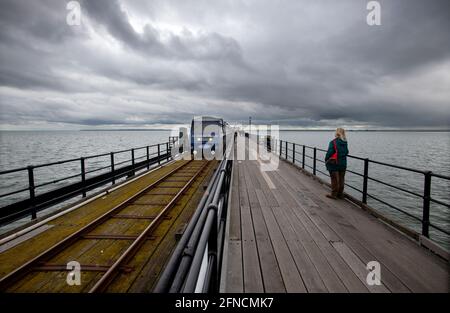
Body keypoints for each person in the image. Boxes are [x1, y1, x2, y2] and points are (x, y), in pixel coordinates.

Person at [325, 128, 349, 199]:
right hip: (343, 163)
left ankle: (334, 194)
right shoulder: (345, 142)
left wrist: (326, 160)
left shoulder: (333, 142)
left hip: (334, 163)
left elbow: (329, 152)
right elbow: (346, 152)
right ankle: (340, 194)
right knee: (341, 179)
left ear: (336, 133)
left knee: (334, 179)